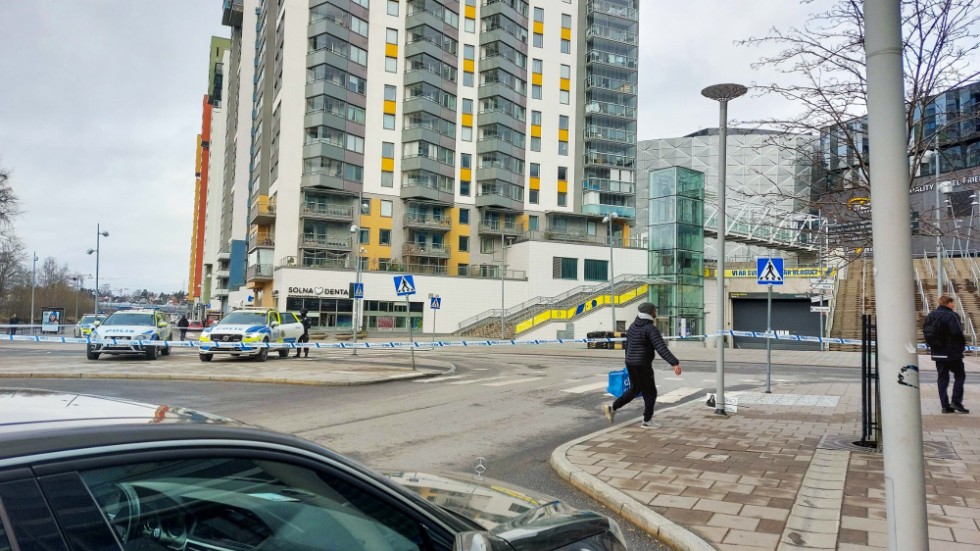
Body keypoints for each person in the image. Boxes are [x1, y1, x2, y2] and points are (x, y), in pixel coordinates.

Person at [603, 302, 682, 428]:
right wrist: (674, 363)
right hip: (642, 365)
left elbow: (627, 346)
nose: (656, 312)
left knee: (635, 389)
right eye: (655, 310)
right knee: (650, 393)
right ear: (651, 313)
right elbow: (661, 348)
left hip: (630, 363)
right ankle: (647, 421)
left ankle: (612, 408)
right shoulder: (651, 329)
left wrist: (628, 360)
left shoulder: (633, 326)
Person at [923, 295, 969, 414]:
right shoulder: (952, 315)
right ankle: (956, 401)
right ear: (949, 303)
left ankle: (945, 406)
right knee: (960, 375)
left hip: (937, 353)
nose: (953, 305)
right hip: (952, 353)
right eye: (953, 303)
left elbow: (926, 332)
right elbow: (957, 333)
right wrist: (961, 347)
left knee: (942, 378)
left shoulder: (931, 315)